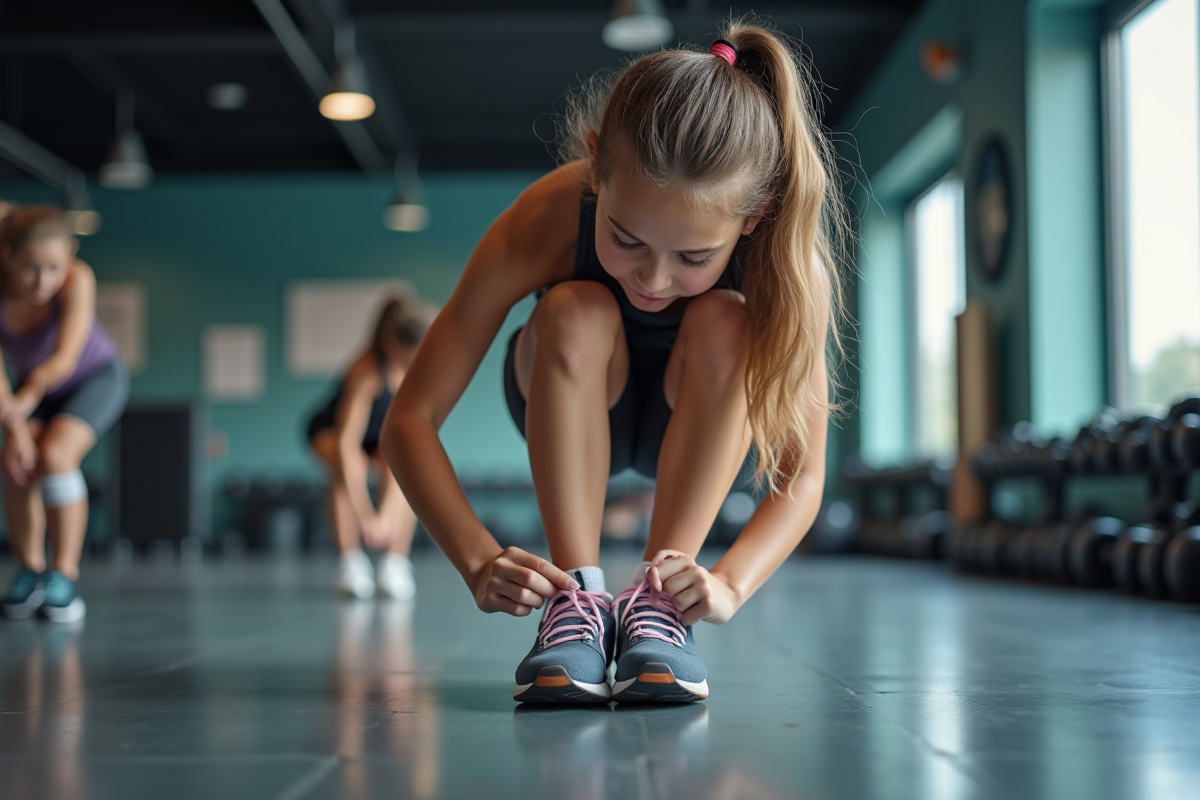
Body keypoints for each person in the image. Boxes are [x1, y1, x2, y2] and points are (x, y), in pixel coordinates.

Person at [382, 23, 847, 702]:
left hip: (696, 414)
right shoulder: (543, 216)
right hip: (568, 385)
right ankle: (579, 603)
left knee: (726, 320)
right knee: (577, 307)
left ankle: (659, 605)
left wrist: (729, 584)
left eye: (693, 258)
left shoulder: (786, 262)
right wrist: (477, 559)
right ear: (597, 169)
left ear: (754, 217)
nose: (654, 280)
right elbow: (409, 420)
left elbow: (804, 477)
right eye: (626, 239)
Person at [0, 206, 129, 623]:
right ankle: (31, 570)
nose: (43, 282)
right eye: (30, 269)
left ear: (71, 254)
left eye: (54, 267)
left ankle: (64, 578)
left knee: (56, 457)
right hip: (30, 392)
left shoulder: (79, 279)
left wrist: (30, 394)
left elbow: (65, 358)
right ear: (6, 256)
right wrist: (15, 430)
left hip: (92, 379)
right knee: (16, 463)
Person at [307, 291, 435, 600]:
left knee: (402, 466)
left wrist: (386, 517)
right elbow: (348, 443)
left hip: (381, 437)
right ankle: (349, 563)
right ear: (391, 345)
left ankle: (395, 563)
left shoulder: (419, 368)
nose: (412, 361)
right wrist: (366, 515)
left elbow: (415, 439)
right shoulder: (366, 371)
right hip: (332, 431)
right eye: (407, 355)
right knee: (344, 468)